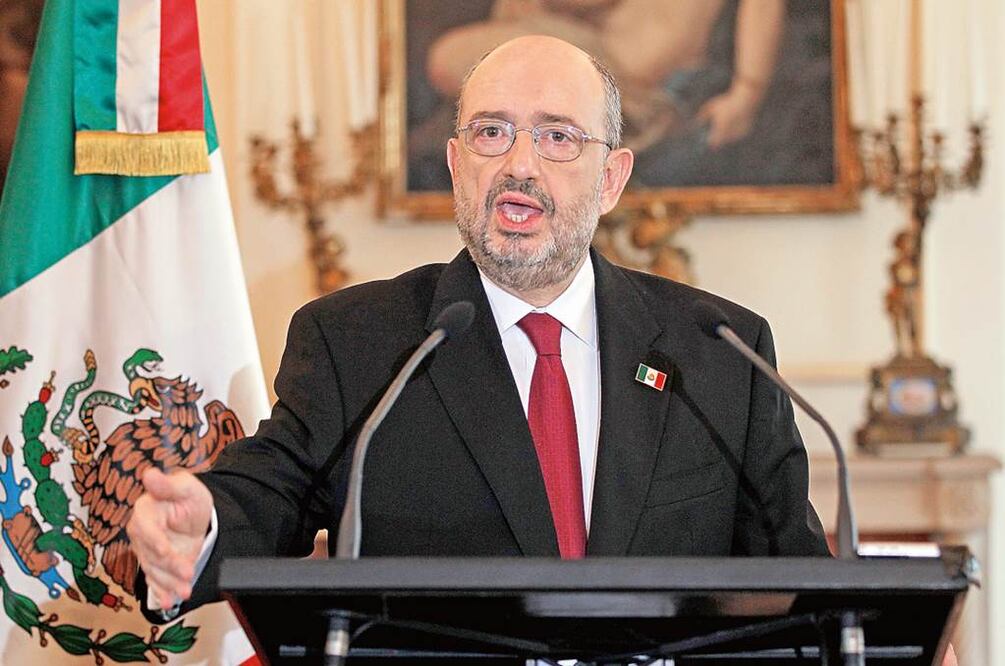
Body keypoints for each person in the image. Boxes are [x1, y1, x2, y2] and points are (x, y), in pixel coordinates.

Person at [126, 35, 829, 622]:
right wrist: (200, 529)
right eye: (491, 132)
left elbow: (806, 586)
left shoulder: (718, 350)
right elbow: (268, 494)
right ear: (458, 164)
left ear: (611, 179)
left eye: (557, 137)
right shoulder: (360, 342)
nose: (518, 166)